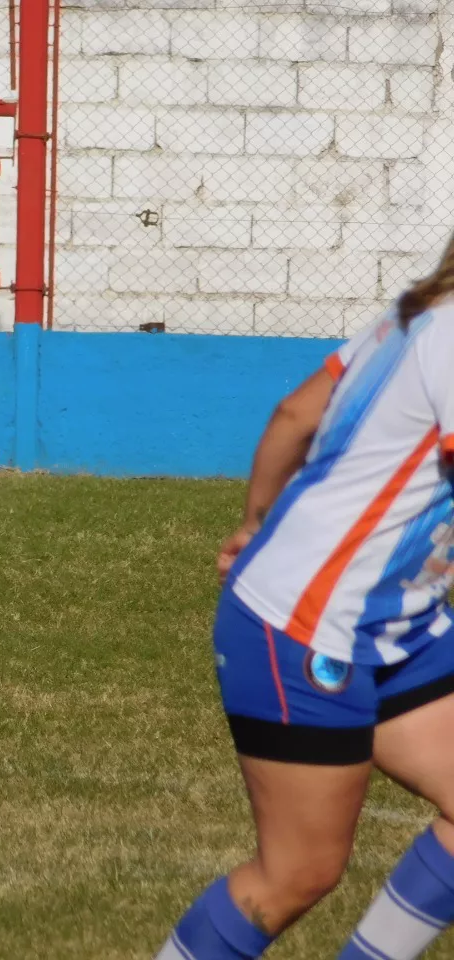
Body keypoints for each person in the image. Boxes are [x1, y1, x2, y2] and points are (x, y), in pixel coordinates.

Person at [156, 240, 454, 959]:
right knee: (298, 873)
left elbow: (294, 415)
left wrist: (254, 521)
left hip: (399, 626)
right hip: (306, 624)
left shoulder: (418, 316)